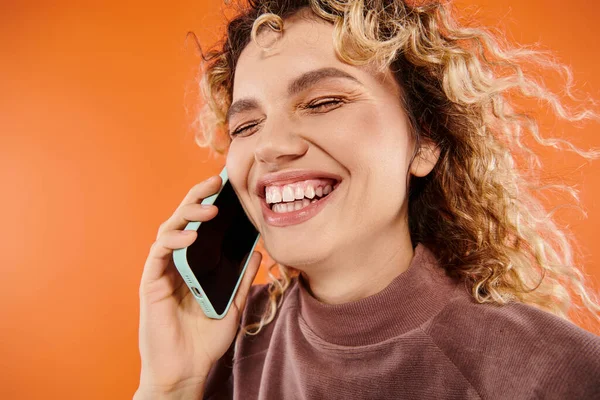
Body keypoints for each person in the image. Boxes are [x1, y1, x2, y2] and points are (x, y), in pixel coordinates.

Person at [134, 0, 600, 399]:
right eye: (245, 126)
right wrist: (171, 386)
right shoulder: (218, 349)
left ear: (425, 141)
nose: (269, 147)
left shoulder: (557, 374)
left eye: (323, 102)